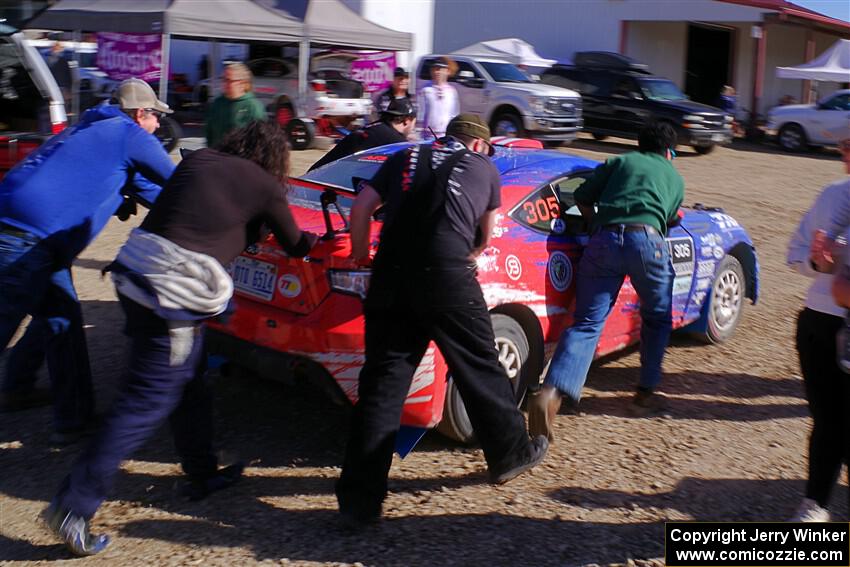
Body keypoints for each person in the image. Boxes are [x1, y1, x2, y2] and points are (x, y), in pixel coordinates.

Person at [43, 120, 318, 556]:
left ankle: (202, 471)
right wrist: (315, 237)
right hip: (171, 297)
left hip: (134, 273)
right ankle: (72, 506)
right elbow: (297, 245)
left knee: (188, 381)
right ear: (275, 158)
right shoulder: (265, 185)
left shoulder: (202, 159)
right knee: (144, 402)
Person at [336, 114, 548, 526]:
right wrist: (459, 261)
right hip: (447, 274)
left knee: (382, 384)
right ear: (480, 145)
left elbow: (361, 207)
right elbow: (486, 237)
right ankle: (510, 452)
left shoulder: (405, 156)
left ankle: (359, 504)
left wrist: (361, 254)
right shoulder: (484, 168)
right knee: (478, 362)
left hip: (391, 276)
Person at [0, 78, 175, 443]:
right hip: (26, 238)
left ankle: (57, 410)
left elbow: (154, 194)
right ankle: (64, 415)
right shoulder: (128, 133)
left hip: (31, 235)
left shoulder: (92, 126)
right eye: (156, 116)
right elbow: (179, 185)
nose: (158, 125)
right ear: (140, 113)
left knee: (62, 319)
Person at [527, 122, 685, 440]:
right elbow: (669, 220)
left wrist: (595, 222)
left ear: (640, 145)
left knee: (586, 322)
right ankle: (645, 394)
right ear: (669, 152)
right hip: (647, 241)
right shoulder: (675, 178)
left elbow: (582, 196)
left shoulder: (620, 162)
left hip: (603, 240)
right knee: (656, 317)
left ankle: (553, 394)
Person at [787, 137, 850, 522]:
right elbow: (794, 253)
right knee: (827, 419)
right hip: (822, 322)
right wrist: (816, 262)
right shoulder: (832, 195)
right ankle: (816, 504)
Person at [308, 98, 417, 172]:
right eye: (414, 123)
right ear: (407, 121)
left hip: (313, 177)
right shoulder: (397, 143)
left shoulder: (373, 128)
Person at [204, 62, 267, 148]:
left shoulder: (253, 107)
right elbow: (209, 132)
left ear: (242, 83)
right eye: (224, 79)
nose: (225, 84)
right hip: (217, 157)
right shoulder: (217, 103)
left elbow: (260, 139)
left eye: (229, 80)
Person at [418, 57, 459, 139]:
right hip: (428, 135)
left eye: (440, 69)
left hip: (445, 134)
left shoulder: (452, 92)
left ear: (447, 71)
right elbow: (420, 113)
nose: (437, 72)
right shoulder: (425, 90)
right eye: (435, 69)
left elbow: (454, 114)